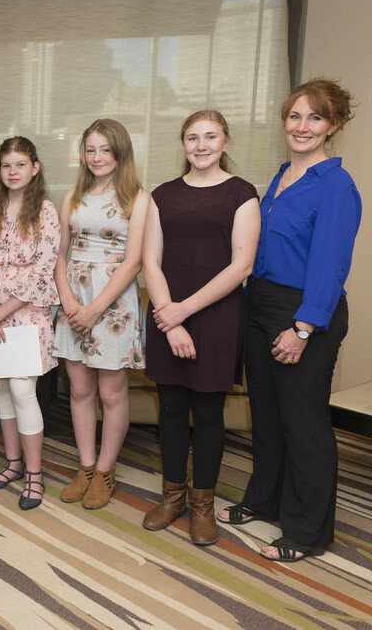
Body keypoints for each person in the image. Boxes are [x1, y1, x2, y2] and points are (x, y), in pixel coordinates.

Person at [216, 79, 361, 562]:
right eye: (295, 116)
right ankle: (264, 501)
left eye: (314, 118)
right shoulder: (281, 175)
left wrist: (303, 328)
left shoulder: (336, 185)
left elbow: (329, 264)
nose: (302, 127)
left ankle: (306, 531)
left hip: (304, 312)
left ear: (333, 126)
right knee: (269, 420)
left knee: (305, 425)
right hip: (262, 305)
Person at [141, 111, 259, 545]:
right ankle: (172, 497)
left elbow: (241, 265)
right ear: (183, 144)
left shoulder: (242, 194)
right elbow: (150, 261)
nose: (201, 145)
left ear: (226, 141)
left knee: (208, 415)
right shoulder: (163, 195)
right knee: (170, 411)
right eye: (193, 138)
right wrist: (169, 318)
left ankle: (202, 505)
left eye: (211, 136)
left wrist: (182, 311)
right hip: (166, 315)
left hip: (216, 317)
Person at [52, 119, 149, 510]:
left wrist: (93, 309)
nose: (97, 157)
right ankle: (86, 466)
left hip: (112, 306)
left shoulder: (139, 199)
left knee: (111, 392)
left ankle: (107, 470)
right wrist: (70, 303)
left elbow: (134, 261)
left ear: (120, 152)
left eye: (105, 150)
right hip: (72, 301)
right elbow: (59, 254)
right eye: (90, 150)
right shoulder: (72, 194)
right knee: (79, 390)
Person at [0, 136, 60, 510]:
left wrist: (0, 313)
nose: (13, 172)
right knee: (2, 391)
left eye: (20, 164)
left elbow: (42, 270)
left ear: (34, 168)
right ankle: (13, 464)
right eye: (6, 165)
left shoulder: (46, 212)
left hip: (26, 314)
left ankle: (34, 474)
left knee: (22, 392)